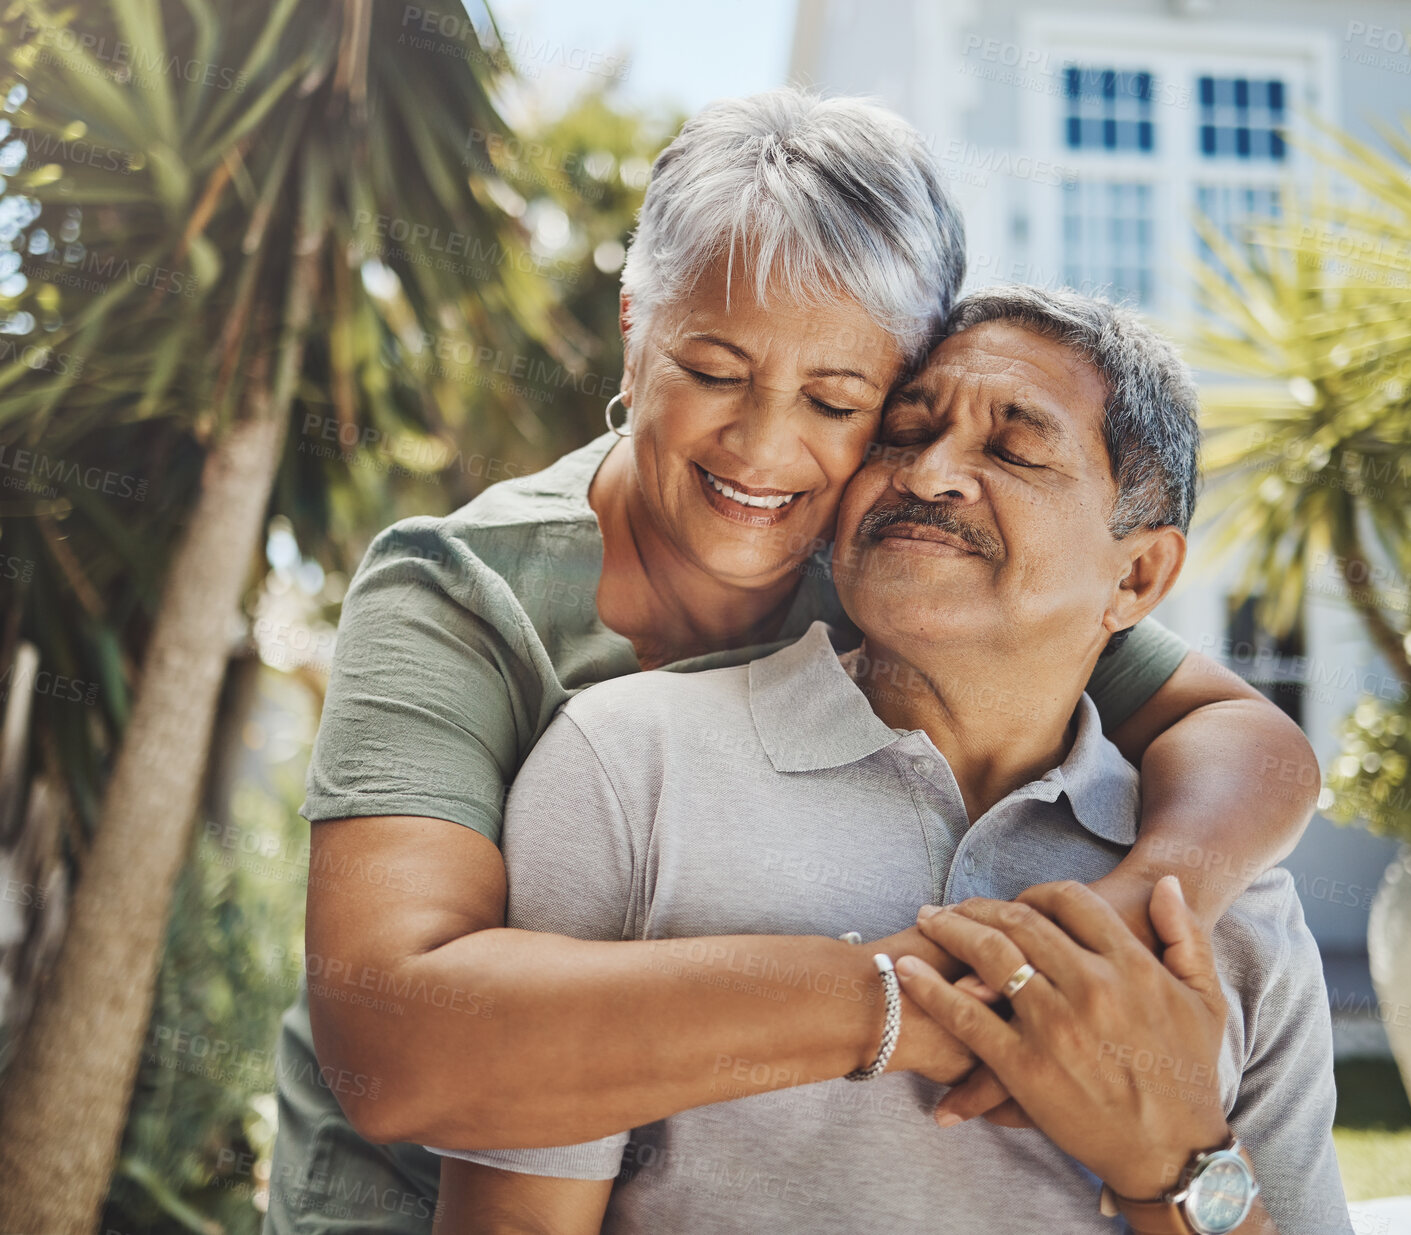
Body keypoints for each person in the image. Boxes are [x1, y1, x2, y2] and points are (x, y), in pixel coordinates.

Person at [267, 92, 1322, 1235]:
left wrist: (1113, 932)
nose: (767, 448)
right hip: (399, 1193)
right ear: (633, 324)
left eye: (839, 400)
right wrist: (931, 1000)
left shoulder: (901, 567)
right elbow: (394, 1041)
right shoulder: (466, 600)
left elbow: (1247, 740)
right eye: (715, 370)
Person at [429, 286, 1351, 1235]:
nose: (929, 473)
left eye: (1013, 449)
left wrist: (1174, 1164)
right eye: (901, 435)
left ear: (1136, 576)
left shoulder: (1228, 906)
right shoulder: (627, 764)